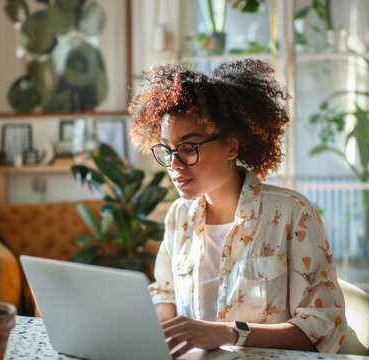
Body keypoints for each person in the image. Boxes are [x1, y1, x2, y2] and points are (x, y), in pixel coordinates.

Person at [127, 59, 347, 357]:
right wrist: (154, 328)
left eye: (189, 148)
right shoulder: (179, 217)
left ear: (231, 147)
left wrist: (231, 333)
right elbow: (165, 293)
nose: (175, 164)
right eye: (167, 149)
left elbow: (322, 328)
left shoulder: (292, 213)